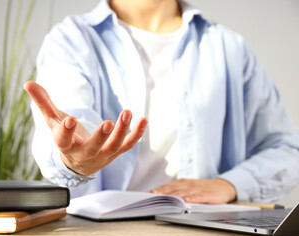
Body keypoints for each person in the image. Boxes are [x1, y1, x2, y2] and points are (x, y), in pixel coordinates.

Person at [24, 0, 299, 203]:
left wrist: (230, 184)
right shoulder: (72, 39)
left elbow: (288, 150)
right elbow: (70, 123)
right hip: (104, 232)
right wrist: (75, 159)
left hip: (207, 230)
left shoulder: (228, 47)